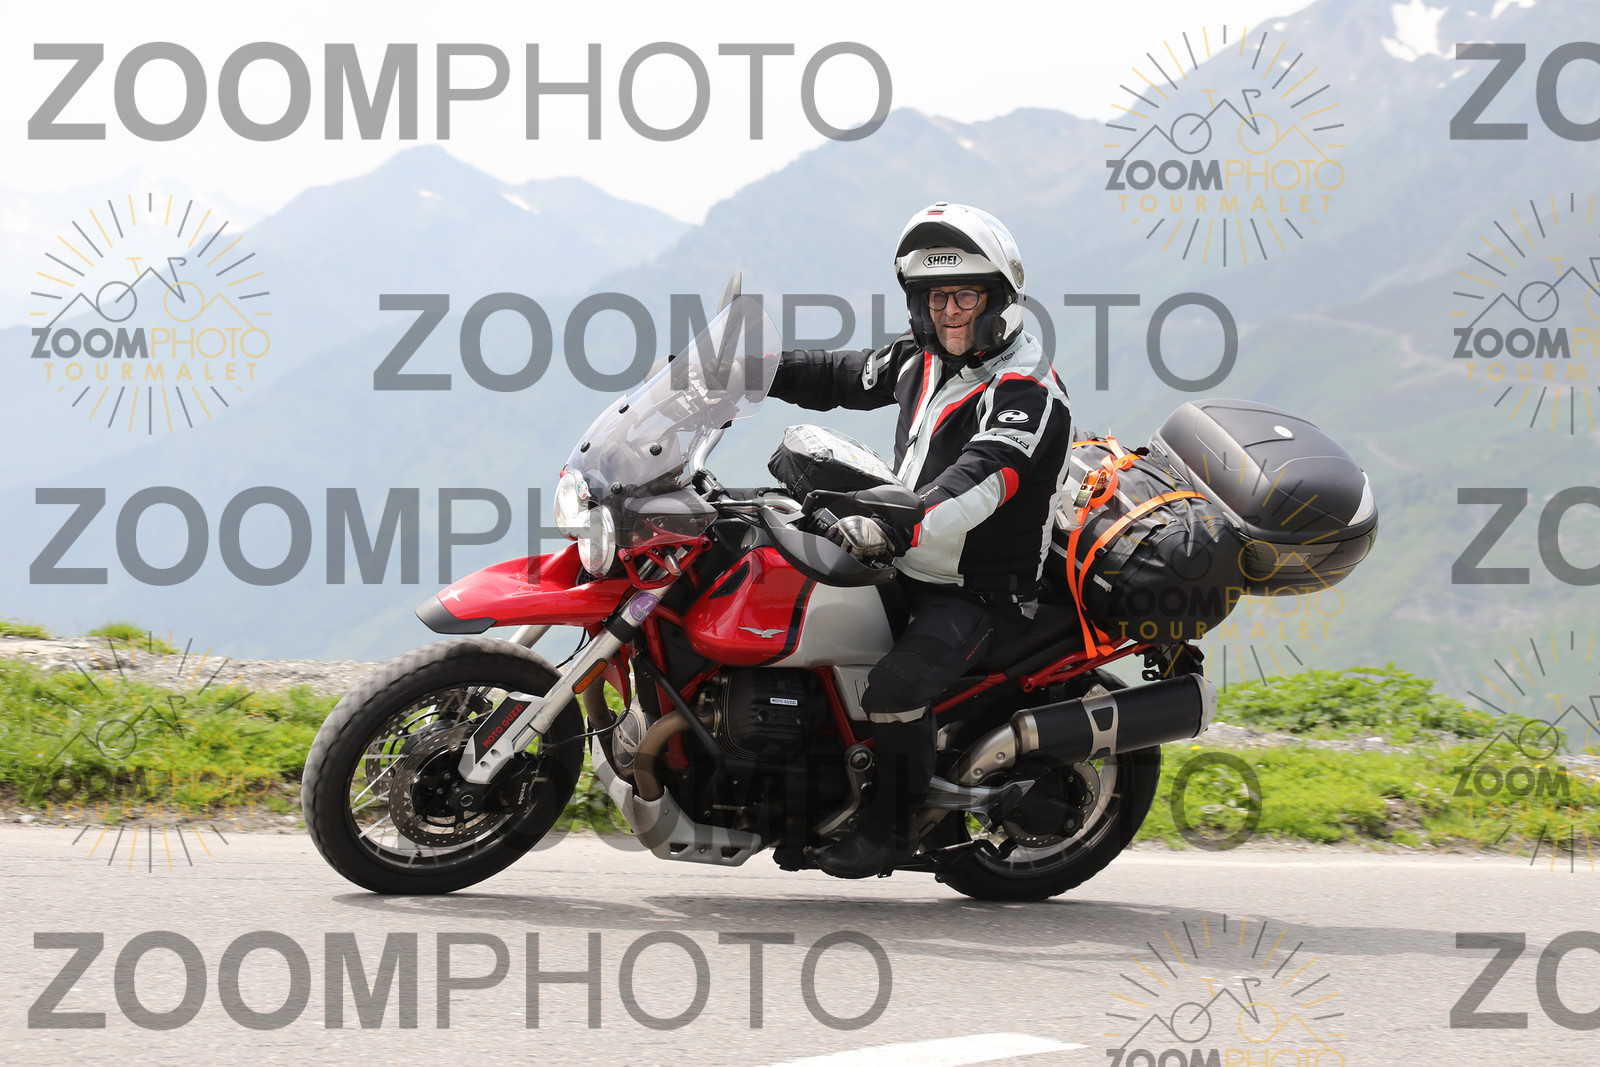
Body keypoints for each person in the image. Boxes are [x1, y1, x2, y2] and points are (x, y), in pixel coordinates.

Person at [769, 202, 1074, 878]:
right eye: (937, 297)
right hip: (902, 559)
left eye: (965, 295)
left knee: (894, 687)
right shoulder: (923, 359)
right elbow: (841, 374)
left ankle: (890, 828)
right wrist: (751, 370)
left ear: (998, 298)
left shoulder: (1026, 392)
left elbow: (981, 480)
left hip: (976, 592)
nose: (949, 311)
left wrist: (899, 521)